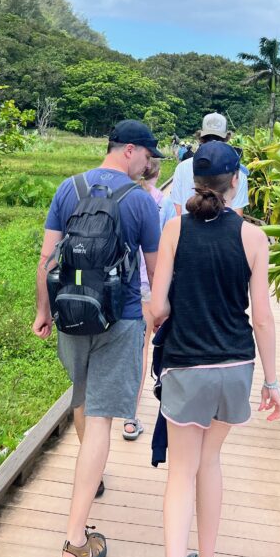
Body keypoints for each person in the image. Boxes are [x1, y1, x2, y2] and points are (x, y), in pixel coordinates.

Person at [33, 119, 163, 557]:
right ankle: (74, 542)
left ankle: (94, 475)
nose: (150, 167)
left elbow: (47, 260)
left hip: (70, 314)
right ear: (130, 150)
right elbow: (153, 271)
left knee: (83, 400)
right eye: (149, 157)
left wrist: (42, 312)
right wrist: (158, 314)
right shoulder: (141, 202)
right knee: (103, 416)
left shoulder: (68, 188)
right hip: (119, 318)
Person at [150, 140, 280, 557]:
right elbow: (261, 318)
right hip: (235, 366)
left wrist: (159, 324)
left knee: (181, 473)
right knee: (211, 462)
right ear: (236, 183)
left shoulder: (174, 230)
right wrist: (273, 382)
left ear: (195, 181)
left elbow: (158, 306)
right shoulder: (253, 236)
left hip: (186, 365)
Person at [122, 156, 174, 442]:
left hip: (120, 284)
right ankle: (131, 418)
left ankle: (117, 413)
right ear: (158, 172)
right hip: (147, 285)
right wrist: (161, 299)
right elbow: (164, 253)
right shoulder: (162, 204)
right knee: (143, 350)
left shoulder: (126, 196)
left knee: (125, 348)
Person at [170, 113, 249, 217]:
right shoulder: (236, 170)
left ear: (201, 137)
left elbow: (178, 211)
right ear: (226, 138)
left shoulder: (182, 168)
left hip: (188, 231)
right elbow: (237, 215)